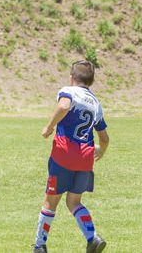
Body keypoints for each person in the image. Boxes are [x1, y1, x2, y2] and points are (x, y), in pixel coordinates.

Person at [32, 60, 109, 253]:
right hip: (85, 158)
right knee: (74, 202)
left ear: (71, 77)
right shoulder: (95, 102)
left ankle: (39, 245)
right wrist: (102, 150)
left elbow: (64, 106)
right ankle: (93, 238)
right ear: (91, 81)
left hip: (64, 154)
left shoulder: (69, 91)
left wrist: (49, 126)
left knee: (50, 201)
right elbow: (105, 138)